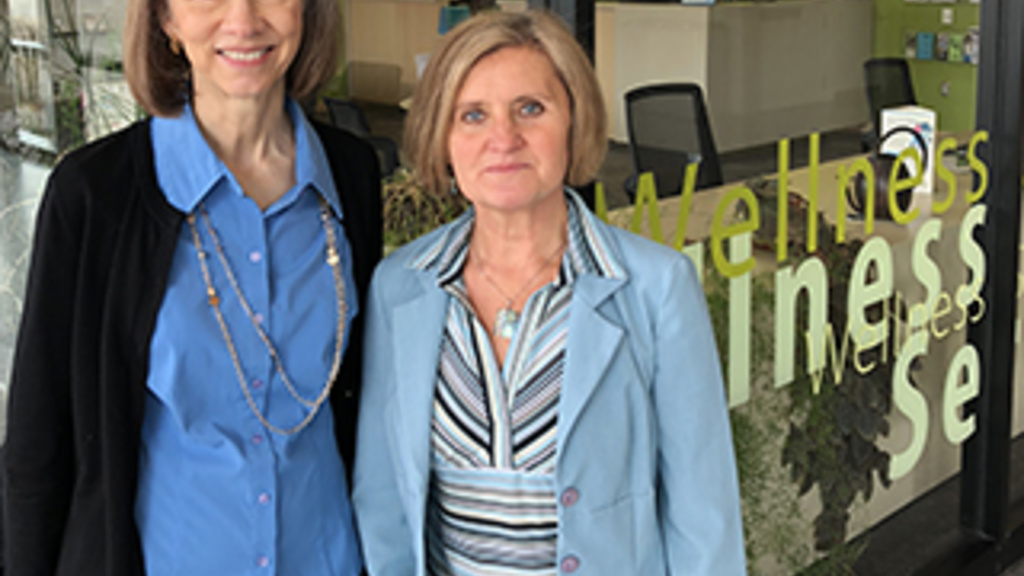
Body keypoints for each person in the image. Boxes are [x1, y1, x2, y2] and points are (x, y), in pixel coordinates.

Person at [352, 9, 745, 576]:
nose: (503, 139)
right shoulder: (402, 285)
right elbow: (384, 493)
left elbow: (703, 517)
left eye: (530, 109)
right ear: (443, 138)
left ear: (575, 122)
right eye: (473, 115)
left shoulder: (656, 287)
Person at [2, 0, 381, 570]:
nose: (243, 20)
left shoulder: (351, 174)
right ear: (166, 20)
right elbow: (38, 443)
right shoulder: (93, 195)